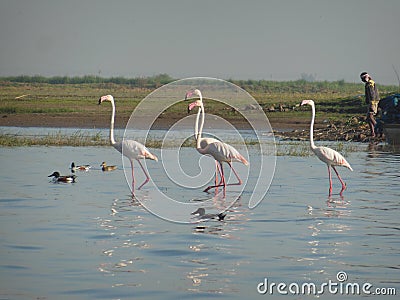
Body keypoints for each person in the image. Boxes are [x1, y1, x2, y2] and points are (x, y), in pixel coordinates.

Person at [360, 72, 380, 137]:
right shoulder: (368, 83)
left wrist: (371, 103)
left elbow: (372, 94)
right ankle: (373, 133)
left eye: (362, 78)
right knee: (369, 118)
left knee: (371, 116)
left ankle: (379, 129)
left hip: (373, 102)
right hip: (371, 102)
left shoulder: (370, 83)